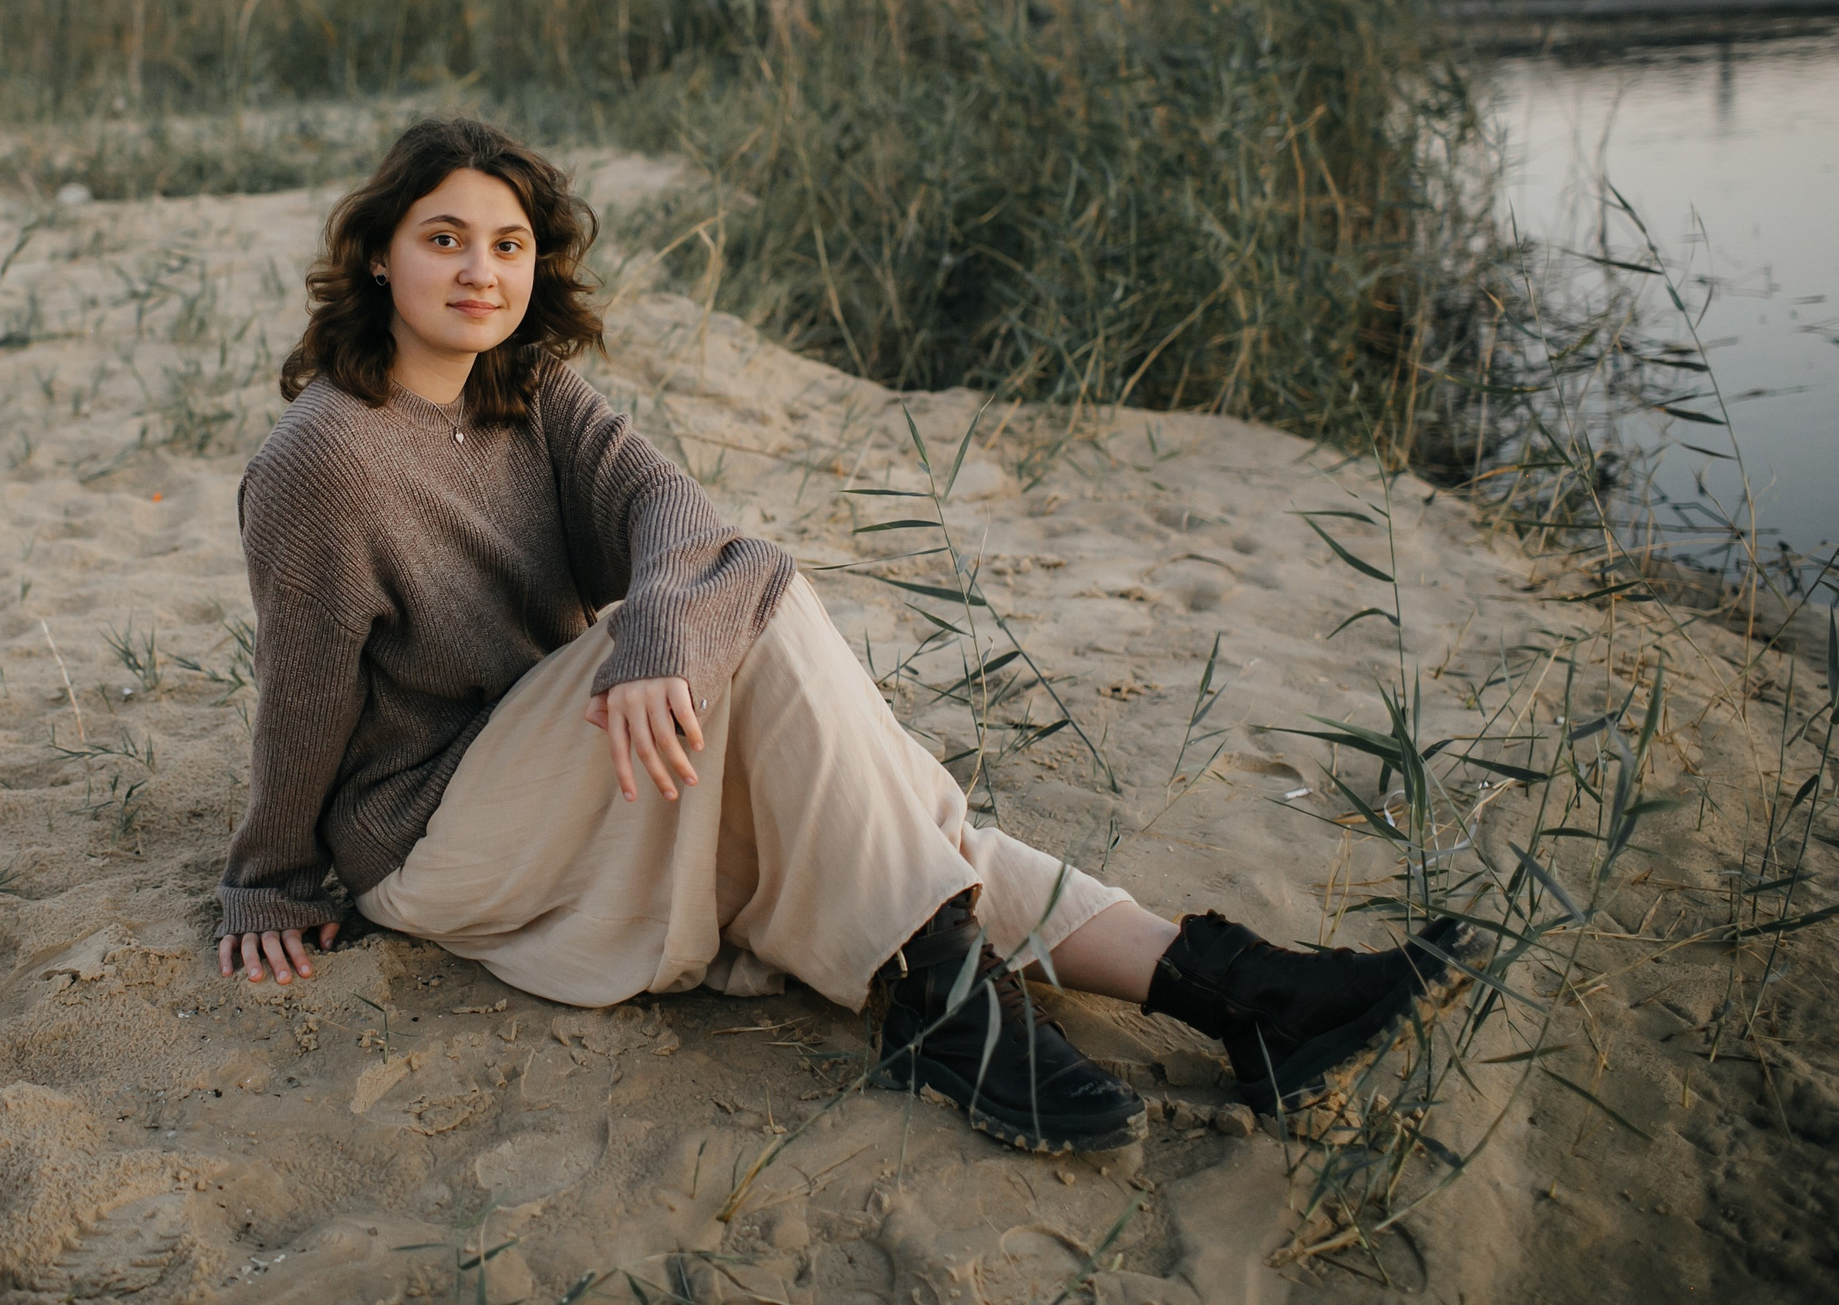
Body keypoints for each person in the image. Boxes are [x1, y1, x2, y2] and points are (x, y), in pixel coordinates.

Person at [215, 117, 1468, 1153]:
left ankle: (1227, 990)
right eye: (444, 240)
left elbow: (666, 507)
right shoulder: (323, 458)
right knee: (747, 595)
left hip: (567, 759)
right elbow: (304, 686)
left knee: (773, 671)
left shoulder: (528, 394)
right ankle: (977, 1006)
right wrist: (269, 875)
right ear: (378, 256)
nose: (481, 270)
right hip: (437, 827)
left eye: (509, 244)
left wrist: (662, 641)